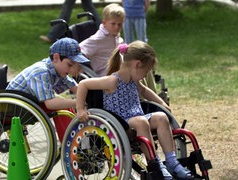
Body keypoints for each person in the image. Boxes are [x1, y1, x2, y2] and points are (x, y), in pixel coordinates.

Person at [76, 41, 193, 179]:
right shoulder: (112, 81)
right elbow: (83, 84)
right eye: (146, 71)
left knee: (161, 117)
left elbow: (144, 90)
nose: (146, 75)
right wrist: (80, 109)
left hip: (137, 119)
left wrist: (162, 103)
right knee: (141, 122)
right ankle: (156, 165)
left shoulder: (134, 81)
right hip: (120, 124)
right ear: (137, 64)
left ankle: (172, 162)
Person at [6, 37, 89, 141]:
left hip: (29, 103)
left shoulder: (58, 70)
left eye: (75, 66)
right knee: (62, 107)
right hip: (13, 109)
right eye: (70, 65)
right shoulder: (41, 72)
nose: (72, 69)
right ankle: (69, 142)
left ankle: (73, 140)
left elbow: (75, 87)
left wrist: (87, 99)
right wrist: (78, 102)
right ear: (56, 58)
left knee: (64, 103)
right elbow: (50, 104)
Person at [79, 3, 125, 76]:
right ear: (104, 23)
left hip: (117, 69)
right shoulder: (99, 38)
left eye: (120, 24)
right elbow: (78, 50)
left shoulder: (115, 35)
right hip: (104, 76)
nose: (117, 27)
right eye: (113, 24)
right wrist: (78, 66)